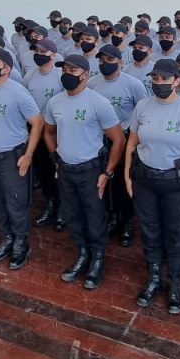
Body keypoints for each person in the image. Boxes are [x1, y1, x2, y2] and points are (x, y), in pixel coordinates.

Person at [125, 58, 180, 313]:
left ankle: (175, 281)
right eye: (155, 78)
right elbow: (131, 144)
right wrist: (128, 177)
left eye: (164, 79)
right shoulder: (142, 106)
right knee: (150, 231)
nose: (158, 83)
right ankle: (154, 276)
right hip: (145, 181)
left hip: (177, 183)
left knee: (176, 232)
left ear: (177, 80)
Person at [43, 53, 124, 289]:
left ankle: (97, 260)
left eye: (73, 71)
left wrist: (107, 173)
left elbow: (117, 140)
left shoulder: (98, 102)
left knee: (94, 216)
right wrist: (54, 157)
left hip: (91, 171)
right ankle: (82, 254)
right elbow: (48, 131)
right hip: (66, 169)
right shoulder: (55, 102)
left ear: (85, 75)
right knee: (72, 215)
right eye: (64, 70)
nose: (67, 75)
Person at [0, 47, 43, 269]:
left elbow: (37, 123)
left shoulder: (18, 92)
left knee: (16, 203)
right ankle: (6, 238)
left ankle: (20, 243)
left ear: (7, 69)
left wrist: (27, 155)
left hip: (12, 158)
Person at [91, 43, 148, 246]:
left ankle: (126, 222)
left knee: (124, 183)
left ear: (121, 62)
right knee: (106, 181)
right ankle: (111, 217)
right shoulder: (92, 84)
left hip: (125, 139)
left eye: (110, 60)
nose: (105, 63)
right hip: (100, 140)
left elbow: (144, 113)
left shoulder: (133, 84)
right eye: (101, 60)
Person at [24, 39, 64, 230]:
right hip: (36, 131)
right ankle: (50, 204)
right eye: (36, 50)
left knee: (59, 169)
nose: (38, 54)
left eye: (43, 51)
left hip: (57, 132)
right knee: (43, 169)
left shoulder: (60, 75)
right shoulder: (29, 76)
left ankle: (63, 209)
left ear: (54, 55)